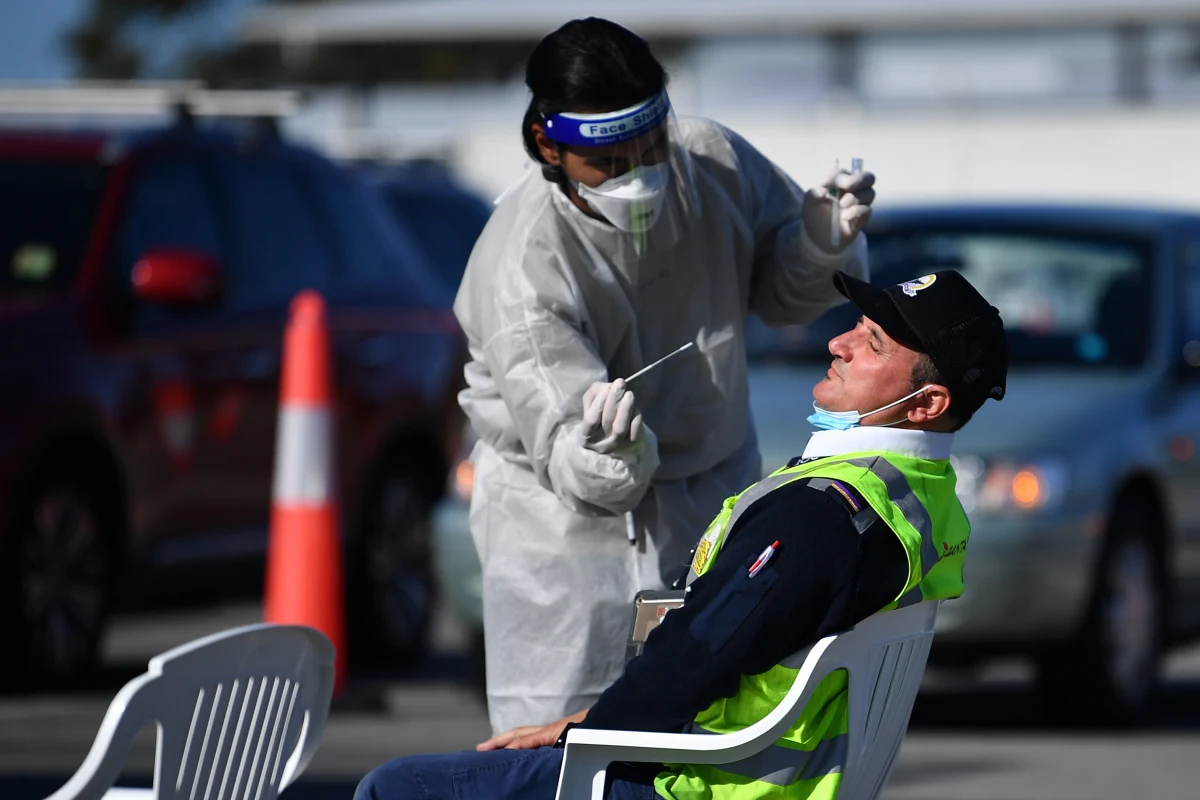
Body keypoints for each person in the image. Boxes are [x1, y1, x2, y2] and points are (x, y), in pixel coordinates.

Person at [356, 268, 1009, 800]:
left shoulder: (824, 514)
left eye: (871, 347)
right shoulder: (922, 491)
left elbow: (700, 653)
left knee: (395, 787)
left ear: (925, 405)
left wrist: (578, 733)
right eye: (857, 329)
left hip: (703, 782)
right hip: (771, 774)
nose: (838, 344)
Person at [454, 15, 878, 735]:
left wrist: (817, 243)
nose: (642, 179)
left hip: (712, 493)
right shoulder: (523, 264)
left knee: (709, 734)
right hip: (565, 538)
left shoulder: (708, 160)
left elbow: (781, 296)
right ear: (548, 147)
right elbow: (571, 457)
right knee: (558, 746)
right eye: (612, 165)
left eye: (652, 150)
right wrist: (611, 452)